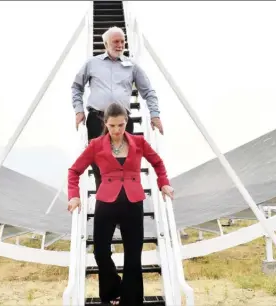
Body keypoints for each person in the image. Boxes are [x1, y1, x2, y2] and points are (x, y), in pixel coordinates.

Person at [67, 103, 174, 305]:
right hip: (106, 203)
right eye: (112, 125)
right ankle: (113, 290)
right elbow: (74, 171)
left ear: (127, 122)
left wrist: (164, 184)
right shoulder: (96, 145)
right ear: (105, 123)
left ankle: (131, 299)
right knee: (100, 252)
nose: (116, 130)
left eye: (121, 125)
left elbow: (158, 163)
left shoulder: (139, 142)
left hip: (133, 204)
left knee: (133, 256)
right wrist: (74, 196)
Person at [71, 26, 164, 191]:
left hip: (123, 122)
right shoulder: (92, 63)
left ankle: (125, 202)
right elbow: (77, 87)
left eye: (123, 41)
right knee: (100, 165)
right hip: (97, 120)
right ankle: (104, 203)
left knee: (124, 166)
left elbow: (149, 91)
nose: (120, 45)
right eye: (116, 41)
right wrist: (79, 111)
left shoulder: (132, 66)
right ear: (106, 44)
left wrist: (155, 115)